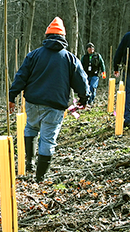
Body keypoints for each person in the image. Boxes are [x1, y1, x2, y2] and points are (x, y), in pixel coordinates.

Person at [8, 17, 88, 183]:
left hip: (33, 102)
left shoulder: (34, 55)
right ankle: (40, 177)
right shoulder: (70, 58)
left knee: (31, 127)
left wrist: (12, 96)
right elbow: (81, 81)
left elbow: (21, 76)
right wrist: (84, 98)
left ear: (47, 36)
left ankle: (29, 162)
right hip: (55, 105)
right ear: (63, 37)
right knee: (48, 139)